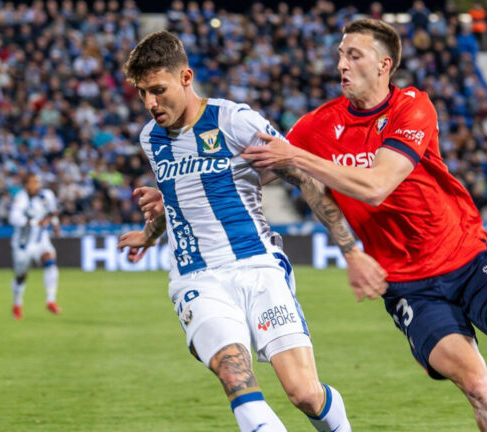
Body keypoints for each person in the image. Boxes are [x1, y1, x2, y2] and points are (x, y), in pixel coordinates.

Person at [241, 19, 487, 432]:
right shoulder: (317, 126)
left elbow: (377, 185)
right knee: (480, 389)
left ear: (384, 65)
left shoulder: (412, 106)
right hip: (409, 287)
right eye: (340, 55)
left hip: (468, 258)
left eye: (353, 55)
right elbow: (254, 173)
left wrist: (297, 156)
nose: (341, 65)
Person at [117, 31, 385, 432]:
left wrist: (351, 251)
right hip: (197, 277)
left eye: (158, 90)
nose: (150, 104)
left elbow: (301, 176)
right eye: (142, 93)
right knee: (235, 375)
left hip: (258, 266)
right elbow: (177, 198)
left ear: (186, 78)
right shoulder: (151, 139)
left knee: (305, 394)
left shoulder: (233, 120)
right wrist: (149, 234)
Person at [8, 173, 62, 320]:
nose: (35, 185)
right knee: (21, 276)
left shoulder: (47, 195)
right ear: (26, 185)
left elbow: (52, 212)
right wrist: (34, 222)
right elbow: (13, 218)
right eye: (32, 182)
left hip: (41, 240)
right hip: (23, 245)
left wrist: (55, 225)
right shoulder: (21, 198)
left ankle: (50, 301)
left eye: (37, 182)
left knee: (50, 261)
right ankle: (17, 304)